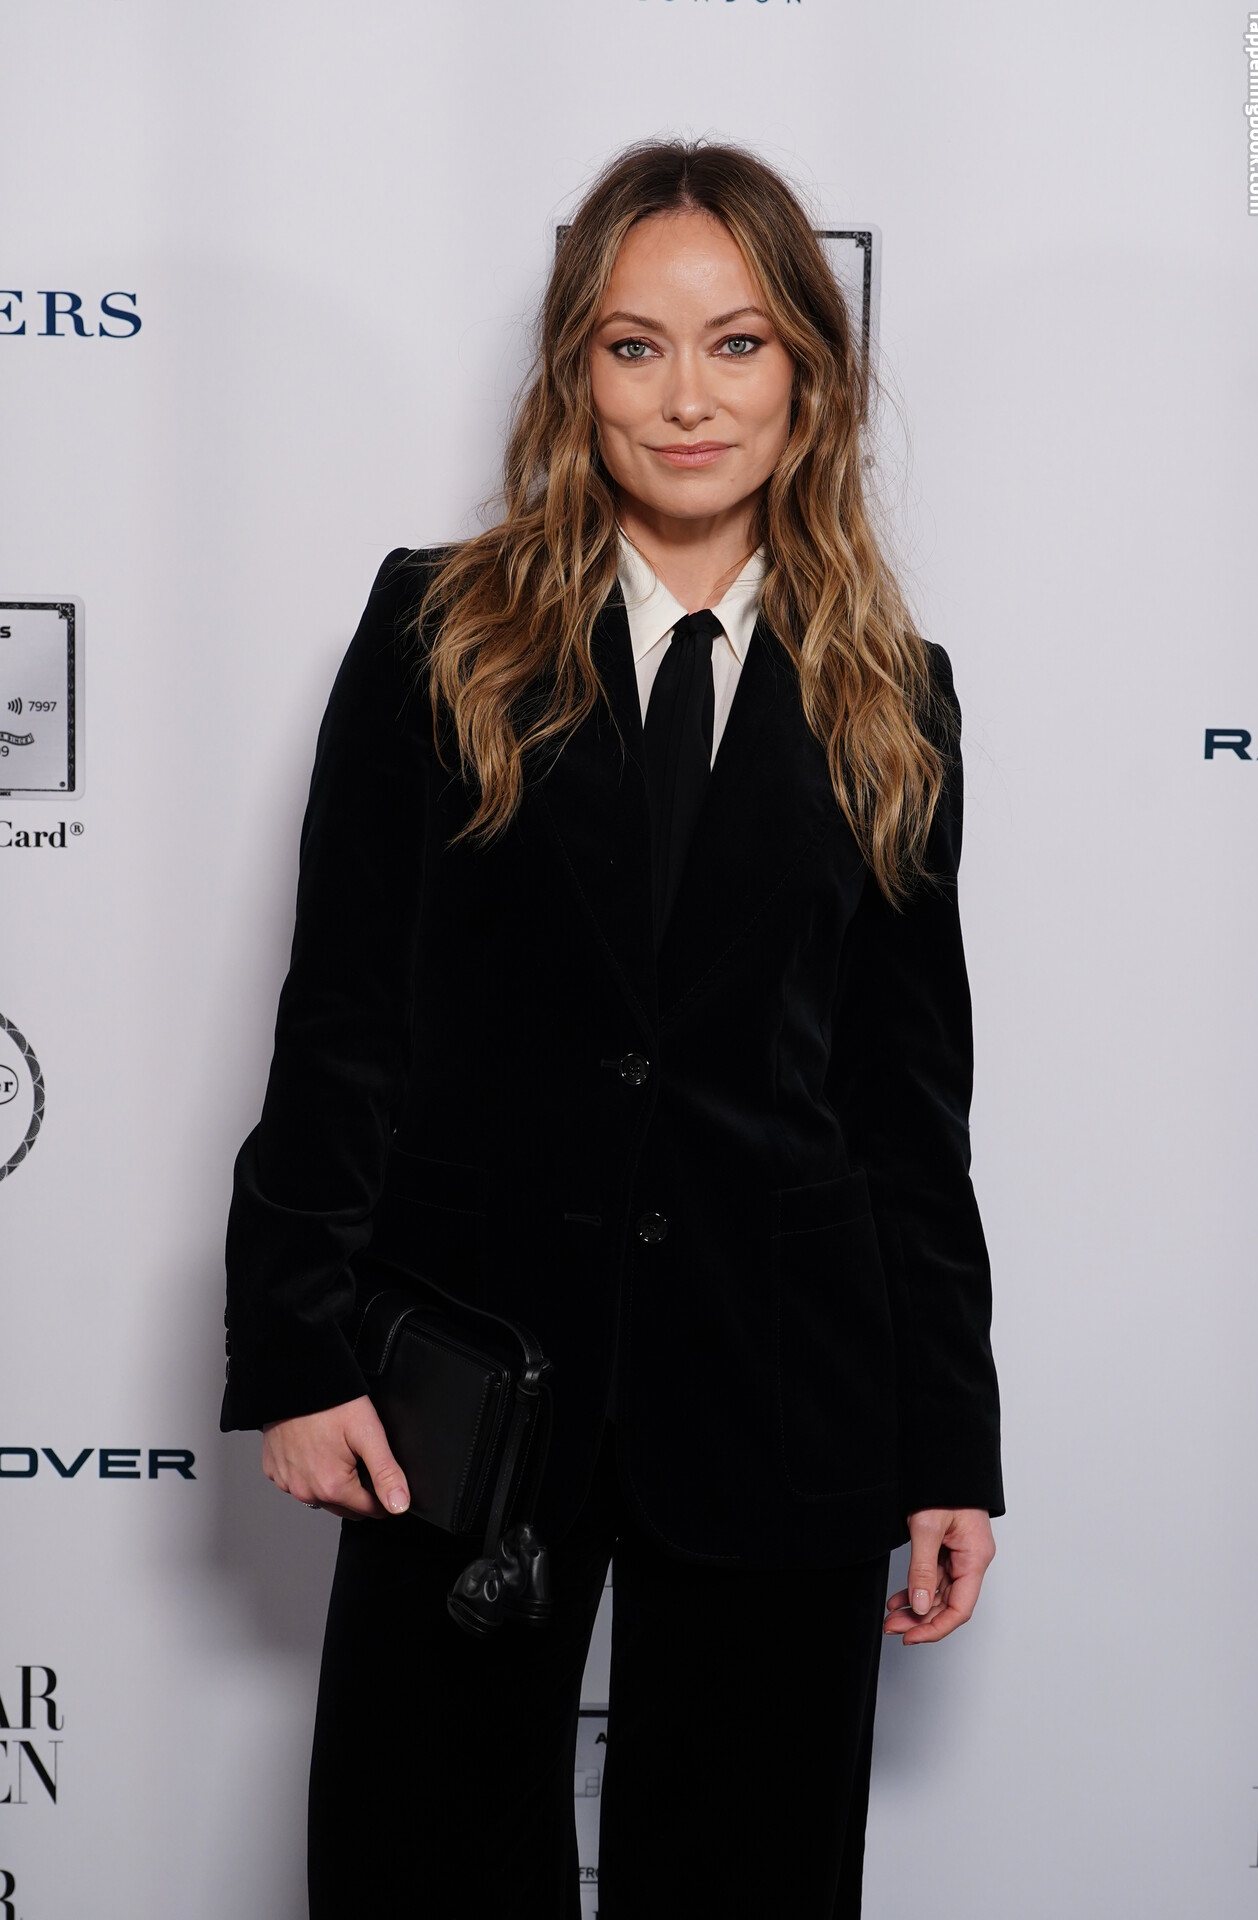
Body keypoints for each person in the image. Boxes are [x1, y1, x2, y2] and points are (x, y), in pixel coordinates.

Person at [220, 137, 1003, 1920]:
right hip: (464, 1391)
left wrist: (946, 1446)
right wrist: (299, 1352)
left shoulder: (897, 696)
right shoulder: (437, 629)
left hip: (785, 1386)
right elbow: (341, 1019)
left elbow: (904, 1108)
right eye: (634, 346)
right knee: (422, 1874)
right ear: (576, 373)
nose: (686, 398)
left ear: (808, 374)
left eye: (737, 344)